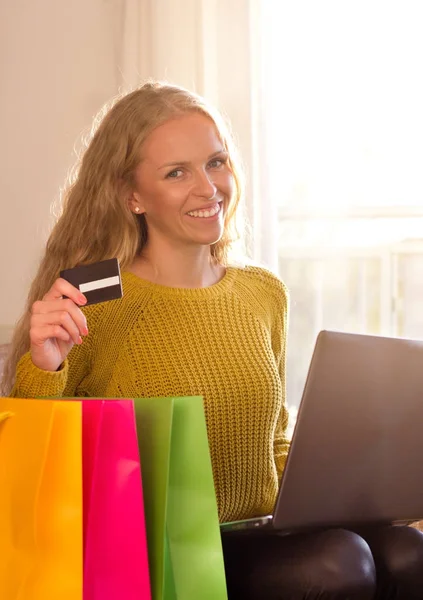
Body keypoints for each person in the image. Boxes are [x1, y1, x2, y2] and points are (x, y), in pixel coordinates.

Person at [2, 81, 423, 599]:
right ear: (131, 195)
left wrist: (375, 490)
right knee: (337, 563)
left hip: (265, 532)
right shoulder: (92, 297)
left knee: (406, 548)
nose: (208, 187)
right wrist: (44, 366)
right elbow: (35, 471)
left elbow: (275, 443)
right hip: (165, 556)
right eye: (177, 172)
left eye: (216, 162)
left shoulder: (261, 292)